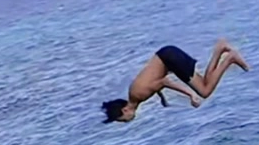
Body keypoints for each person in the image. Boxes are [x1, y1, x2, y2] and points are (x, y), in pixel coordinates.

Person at [101, 39, 249, 124]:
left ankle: (229, 58)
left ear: (125, 110)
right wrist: (162, 98)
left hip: (170, 59)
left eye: (123, 119)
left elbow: (164, 81)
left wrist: (190, 95)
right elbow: (154, 82)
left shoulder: (139, 95)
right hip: (168, 56)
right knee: (204, 84)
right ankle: (220, 49)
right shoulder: (135, 94)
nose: (126, 122)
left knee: (204, 91)